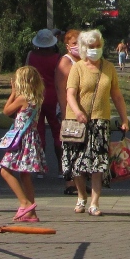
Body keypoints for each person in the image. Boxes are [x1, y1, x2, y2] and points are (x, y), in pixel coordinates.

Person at [63, 29, 130, 216]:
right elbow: (70, 94)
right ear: (84, 48)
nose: (95, 49)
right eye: (91, 47)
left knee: (98, 164)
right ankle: (81, 196)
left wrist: (124, 119)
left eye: (98, 46)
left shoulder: (109, 68)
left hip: (100, 122)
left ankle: (94, 202)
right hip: (77, 123)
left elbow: (116, 96)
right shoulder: (77, 68)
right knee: (77, 163)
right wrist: (77, 112)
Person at [0, 66, 47, 223]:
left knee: (5, 170)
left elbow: (6, 111)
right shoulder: (37, 98)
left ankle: (24, 202)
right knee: (25, 174)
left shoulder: (22, 98)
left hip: (21, 140)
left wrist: (13, 93)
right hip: (31, 138)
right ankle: (31, 211)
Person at [26, 29, 62, 161]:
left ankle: (40, 165)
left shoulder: (31, 55)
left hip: (36, 96)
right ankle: (60, 167)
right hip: (54, 97)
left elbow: (26, 75)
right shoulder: (58, 57)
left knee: (39, 131)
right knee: (57, 131)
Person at [56, 29, 81, 194]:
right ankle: (70, 182)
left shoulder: (84, 60)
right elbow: (60, 90)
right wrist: (65, 113)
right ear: (67, 46)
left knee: (80, 146)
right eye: (74, 44)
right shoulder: (66, 62)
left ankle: (79, 182)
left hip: (80, 111)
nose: (77, 46)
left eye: (80, 43)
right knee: (70, 146)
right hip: (68, 111)